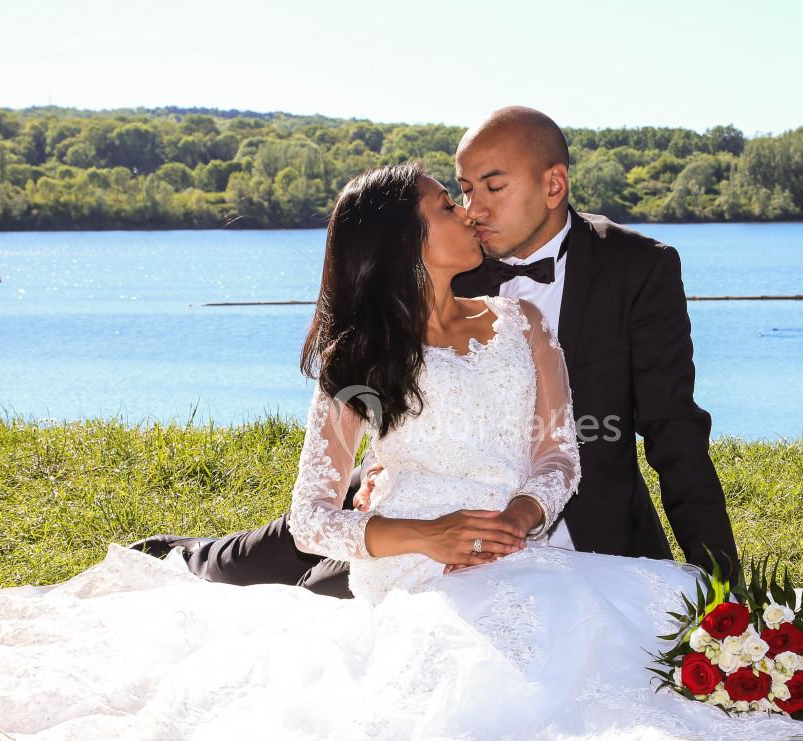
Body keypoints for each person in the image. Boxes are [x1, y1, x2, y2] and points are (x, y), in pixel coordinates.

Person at [0, 161, 803, 741]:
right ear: (405, 240)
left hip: (535, 551)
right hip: (415, 571)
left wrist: (525, 517)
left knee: (635, 619)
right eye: (447, 206)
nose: (466, 213)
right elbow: (314, 516)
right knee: (473, 680)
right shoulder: (356, 361)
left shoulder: (523, 322)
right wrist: (424, 533)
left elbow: (556, 460)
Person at [131, 106, 740, 595]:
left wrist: (727, 592)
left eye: (492, 188)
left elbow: (675, 437)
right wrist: (399, 489)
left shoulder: (637, 268)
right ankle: (188, 554)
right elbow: (373, 368)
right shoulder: (447, 262)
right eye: (462, 192)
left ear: (554, 184)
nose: (473, 211)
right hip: (411, 514)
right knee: (275, 573)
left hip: (576, 524)